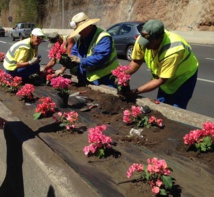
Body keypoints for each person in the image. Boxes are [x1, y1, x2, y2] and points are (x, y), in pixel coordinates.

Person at [126, 19, 199, 109]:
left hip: (183, 77)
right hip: (164, 75)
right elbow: (136, 61)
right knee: (162, 104)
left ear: (160, 38)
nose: (145, 45)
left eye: (149, 43)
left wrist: (135, 91)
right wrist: (122, 75)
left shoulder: (172, 50)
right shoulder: (142, 40)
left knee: (176, 109)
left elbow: (161, 79)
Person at [68, 12, 119, 87]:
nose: (79, 33)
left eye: (81, 30)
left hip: (105, 79)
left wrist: (81, 60)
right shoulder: (82, 39)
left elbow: (101, 57)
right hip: (88, 79)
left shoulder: (103, 37)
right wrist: (69, 60)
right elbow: (75, 52)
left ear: (88, 26)